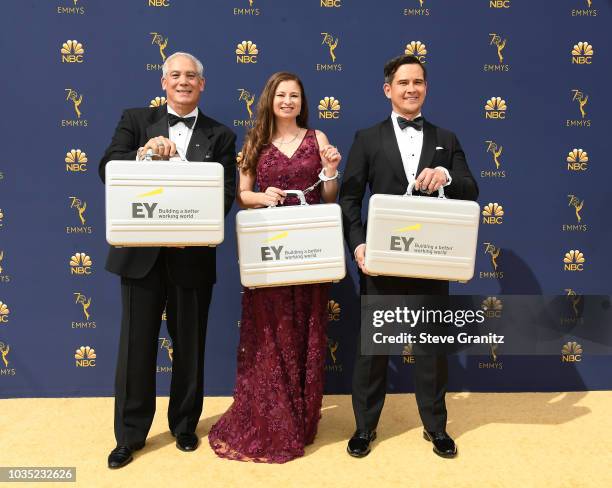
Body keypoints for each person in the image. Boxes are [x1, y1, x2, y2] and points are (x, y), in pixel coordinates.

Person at [98, 52, 237, 469]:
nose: (183, 81)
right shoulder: (136, 120)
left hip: (191, 258)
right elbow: (107, 167)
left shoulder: (222, 135)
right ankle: (129, 435)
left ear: (202, 84)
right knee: (135, 348)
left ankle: (183, 426)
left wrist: (192, 231)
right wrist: (142, 153)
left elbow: (226, 194)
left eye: (191, 76)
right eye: (175, 75)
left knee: (190, 347)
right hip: (139, 257)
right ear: (163, 82)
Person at [339, 55, 478, 459]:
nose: (411, 89)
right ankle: (365, 428)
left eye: (418, 81)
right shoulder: (367, 138)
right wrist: (359, 246)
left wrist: (447, 177)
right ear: (388, 89)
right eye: (403, 83)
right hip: (381, 261)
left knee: (431, 350)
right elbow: (349, 199)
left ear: (426, 87)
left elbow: (471, 188)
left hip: (430, 261)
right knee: (373, 352)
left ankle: (436, 428)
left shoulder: (446, 138)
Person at [208, 72, 341, 463]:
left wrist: (330, 171)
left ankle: (300, 420)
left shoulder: (318, 139)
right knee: (271, 333)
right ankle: (273, 416)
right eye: (281, 95)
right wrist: (261, 197)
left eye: (294, 96)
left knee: (306, 331)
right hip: (270, 255)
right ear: (270, 99)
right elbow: (241, 194)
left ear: (302, 101)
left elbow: (329, 197)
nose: (287, 101)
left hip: (310, 252)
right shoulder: (255, 142)